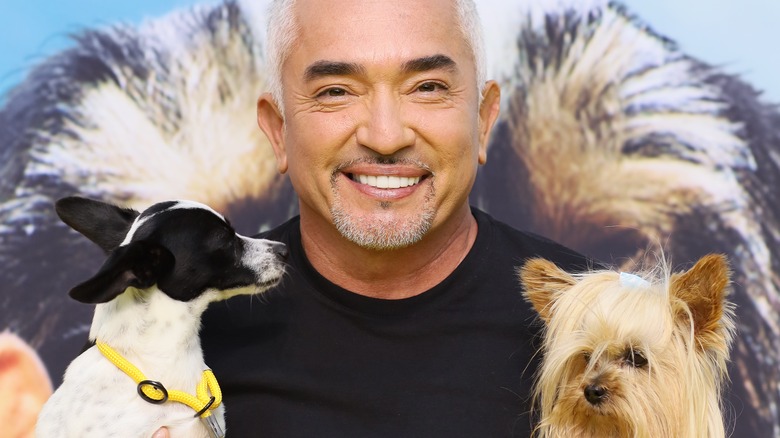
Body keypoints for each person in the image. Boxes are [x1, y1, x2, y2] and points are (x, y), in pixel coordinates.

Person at [155, 0, 592, 436]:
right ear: (278, 130)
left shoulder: (610, 325)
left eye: (427, 87)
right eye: (336, 91)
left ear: (483, 117)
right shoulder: (168, 336)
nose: (385, 136)